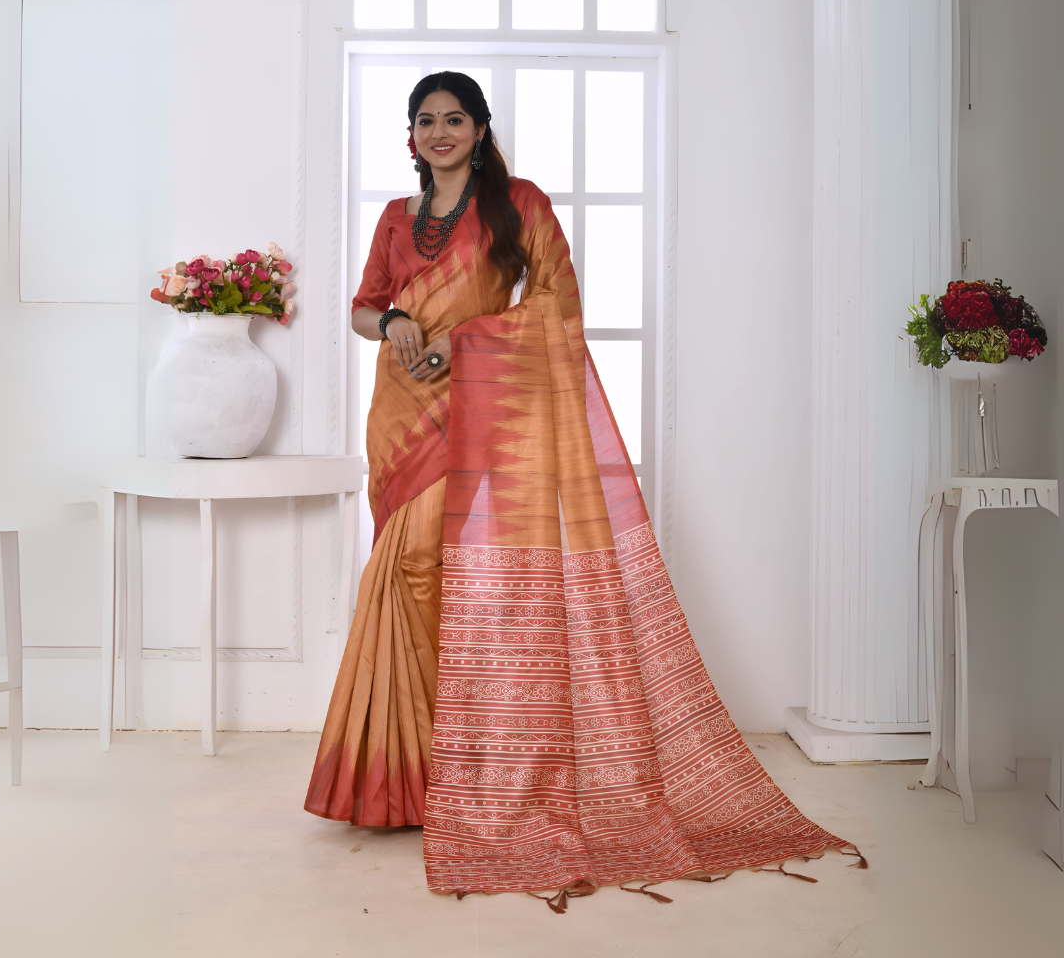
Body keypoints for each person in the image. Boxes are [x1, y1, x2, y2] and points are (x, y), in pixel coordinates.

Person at [305, 71, 860, 905]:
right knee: (409, 580)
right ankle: (412, 782)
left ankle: (485, 771)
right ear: (410, 136)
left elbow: (561, 302)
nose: (441, 132)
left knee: (460, 582)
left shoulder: (517, 203)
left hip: (483, 403)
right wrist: (391, 323)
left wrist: (468, 343)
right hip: (400, 417)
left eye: (456, 119)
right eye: (427, 121)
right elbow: (361, 307)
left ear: (482, 129)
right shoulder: (396, 217)